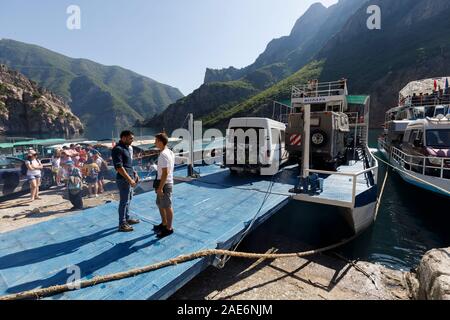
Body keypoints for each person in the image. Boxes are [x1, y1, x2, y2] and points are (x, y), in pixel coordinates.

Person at [111, 130, 140, 232]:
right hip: (123, 180)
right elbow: (119, 167)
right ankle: (122, 223)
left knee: (128, 200)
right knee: (124, 201)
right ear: (123, 138)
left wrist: (134, 173)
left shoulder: (126, 148)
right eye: (130, 138)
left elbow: (128, 164)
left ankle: (127, 218)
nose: (132, 140)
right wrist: (129, 179)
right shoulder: (117, 149)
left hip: (129, 177)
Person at [153, 133, 175, 238]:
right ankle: (164, 223)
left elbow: (165, 173)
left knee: (167, 206)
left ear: (161, 142)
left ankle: (169, 228)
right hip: (162, 182)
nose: (154, 143)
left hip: (164, 183)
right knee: (160, 204)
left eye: (156, 141)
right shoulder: (170, 152)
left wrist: (160, 188)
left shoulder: (163, 154)